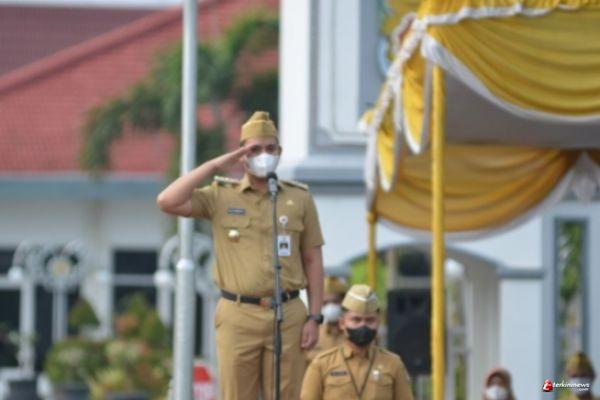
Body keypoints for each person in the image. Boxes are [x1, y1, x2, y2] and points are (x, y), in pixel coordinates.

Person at [157, 111, 325, 400]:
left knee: (286, 395)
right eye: (254, 149)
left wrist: (315, 317)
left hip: (288, 313)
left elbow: (313, 259)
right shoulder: (222, 195)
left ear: (279, 152)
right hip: (238, 313)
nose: (263, 155)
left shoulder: (298, 198)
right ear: (241, 154)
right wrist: (214, 165)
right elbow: (167, 200)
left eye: (270, 148)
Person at [301, 284, 413, 400]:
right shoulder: (322, 364)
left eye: (370, 320)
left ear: (378, 323)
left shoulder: (393, 364)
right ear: (342, 323)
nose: (363, 325)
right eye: (356, 320)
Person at [305, 276, 348, 363]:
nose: (330, 307)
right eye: (325, 303)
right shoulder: (312, 334)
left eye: (335, 301)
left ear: (344, 302)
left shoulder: (353, 335)